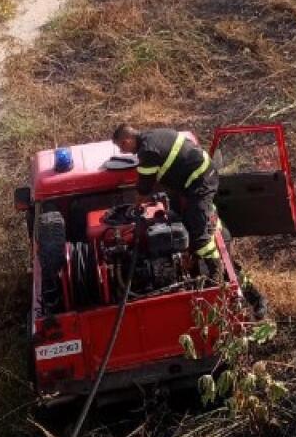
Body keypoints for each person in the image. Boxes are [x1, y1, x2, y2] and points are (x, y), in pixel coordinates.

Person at [112, 123, 267, 319]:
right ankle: (247, 293)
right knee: (211, 246)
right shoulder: (155, 135)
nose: (122, 151)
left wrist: (134, 209)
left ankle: (220, 278)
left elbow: (144, 188)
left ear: (127, 140)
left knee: (203, 242)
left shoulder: (147, 152)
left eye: (121, 147)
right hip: (198, 182)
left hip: (200, 185)